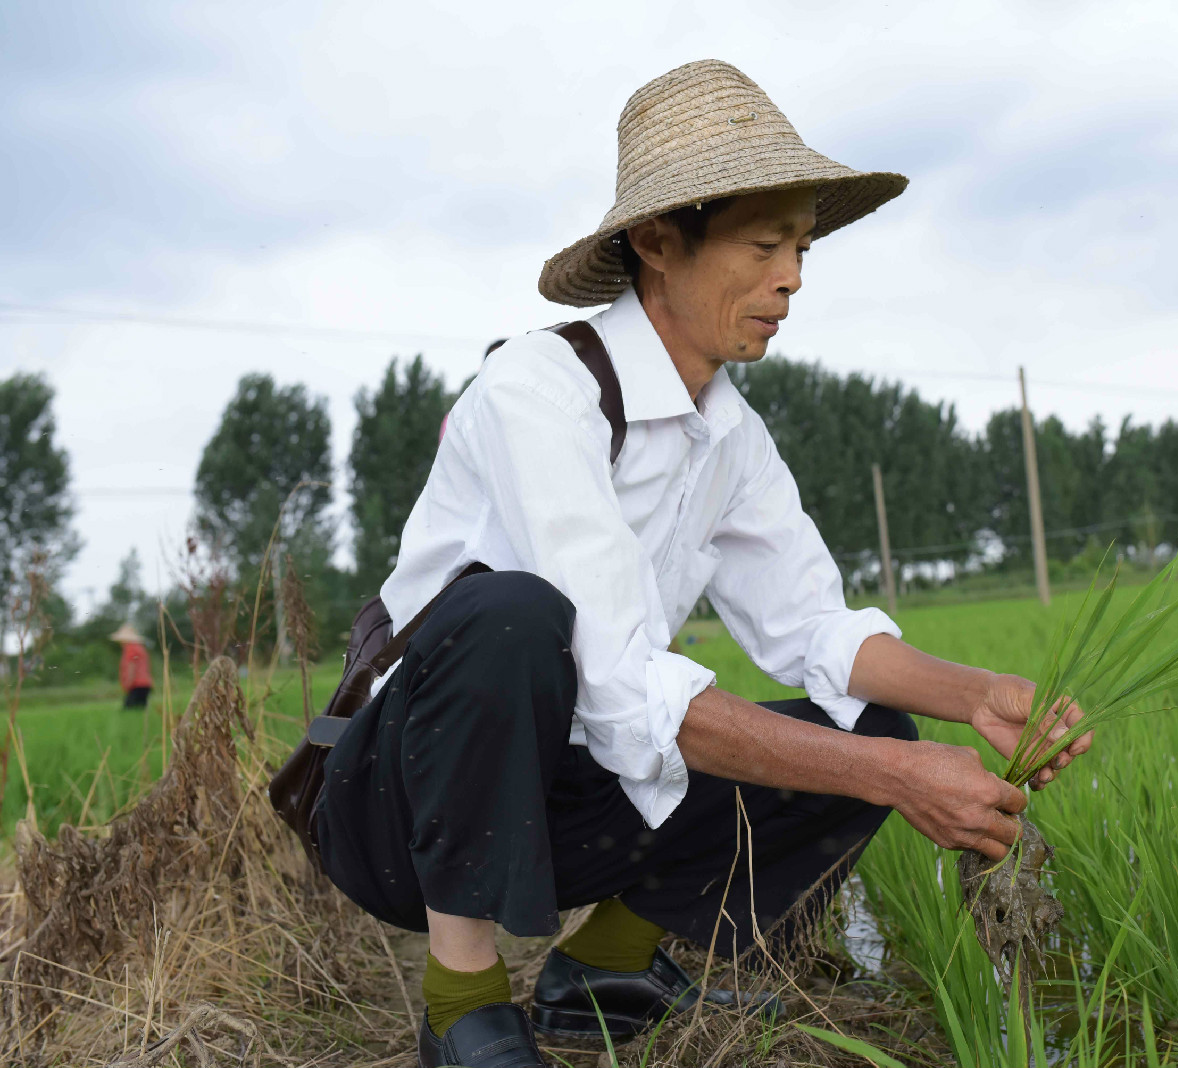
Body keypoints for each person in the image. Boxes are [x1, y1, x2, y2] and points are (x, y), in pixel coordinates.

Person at [313, 59, 1094, 1068]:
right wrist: (900, 779)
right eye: (765, 244)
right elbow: (623, 677)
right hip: (400, 804)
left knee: (872, 724)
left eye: (802, 248)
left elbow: (814, 627)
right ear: (656, 243)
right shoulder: (535, 389)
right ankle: (461, 1002)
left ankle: (599, 967)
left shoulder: (729, 436)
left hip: (568, 792)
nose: (794, 278)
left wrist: (977, 693)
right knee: (511, 616)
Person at [110, 623, 152, 710]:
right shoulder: (140, 648)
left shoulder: (130, 649)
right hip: (146, 684)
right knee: (140, 710)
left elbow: (131, 666)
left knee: (128, 709)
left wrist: (128, 682)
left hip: (136, 685)